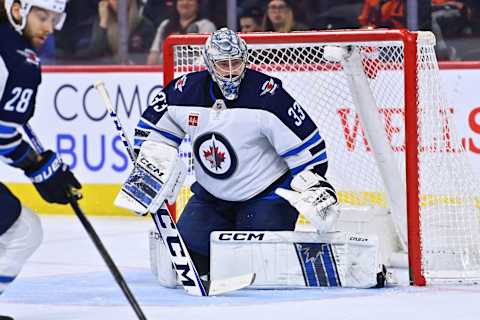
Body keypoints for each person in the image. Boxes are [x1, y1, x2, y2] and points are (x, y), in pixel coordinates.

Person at [130, 28, 339, 278]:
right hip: (212, 198)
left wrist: (314, 185)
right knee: (183, 263)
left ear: (245, 59)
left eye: (236, 62)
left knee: (258, 270)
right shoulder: (183, 92)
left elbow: (309, 149)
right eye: (222, 64)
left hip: (266, 196)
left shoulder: (268, 95)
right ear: (209, 63)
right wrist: (150, 171)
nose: (230, 71)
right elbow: (151, 132)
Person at [0, 1, 81, 317]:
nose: (49, 27)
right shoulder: (21, 62)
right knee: (24, 231)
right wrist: (38, 167)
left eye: (55, 19)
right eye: (42, 16)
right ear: (18, 9)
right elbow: (4, 135)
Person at [72, 0, 155, 64]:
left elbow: (145, 59)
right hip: (105, 75)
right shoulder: (98, 23)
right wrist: (103, 23)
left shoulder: (144, 25)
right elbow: (94, 53)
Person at [146, 0, 216, 65]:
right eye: (181, 0)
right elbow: (153, 55)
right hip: (165, 73)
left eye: (190, 0)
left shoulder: (207, 26)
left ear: (197, 4)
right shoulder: (165, 25)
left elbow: (210, 59)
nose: (185, 3)